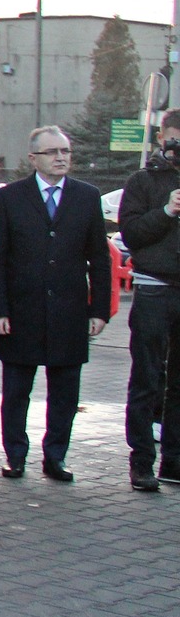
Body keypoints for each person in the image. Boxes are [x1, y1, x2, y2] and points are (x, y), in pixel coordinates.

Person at [0, 126, 111, 482]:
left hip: (69, 311)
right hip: (21, 311)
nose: (61, 158)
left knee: (65, 393)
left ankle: (56, 457)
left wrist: (99, 309)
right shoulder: (10, 197)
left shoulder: (87, 196)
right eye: (52, 152)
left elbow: (99, 259)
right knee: (16, 392)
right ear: (33, 158)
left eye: (65, 151)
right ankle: (15, 456)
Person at [116, 108, 180, 491]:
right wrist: (168, 210)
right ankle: (141, 462)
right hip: (154, 287)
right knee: (147, 377)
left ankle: (174, 461)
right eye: (175, 138)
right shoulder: (142, 181)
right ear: (161, 138)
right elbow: (133, 234)